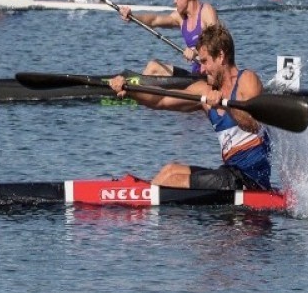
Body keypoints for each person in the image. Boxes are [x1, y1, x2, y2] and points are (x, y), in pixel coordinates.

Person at [108, 23, 273, 190]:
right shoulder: (205, 91)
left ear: (221, 56)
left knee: (171, 182)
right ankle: (143, 198)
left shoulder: (247, 79)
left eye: (204, 62)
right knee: (169, 171)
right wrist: (130, 90)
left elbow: (253, 125)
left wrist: (225, 104)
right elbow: (161, 100)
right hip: (229, 172)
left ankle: (142, 198)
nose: (201, 70)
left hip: (250, 179)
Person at [118, 0, 219, 76]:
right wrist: (132, 16)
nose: (174, 1)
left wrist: (196, 51)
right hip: (195, 75)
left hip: (211, 75)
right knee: (153, 66)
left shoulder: (206, 11)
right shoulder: (180, 18)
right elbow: (154, 20)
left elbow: (217, 41)